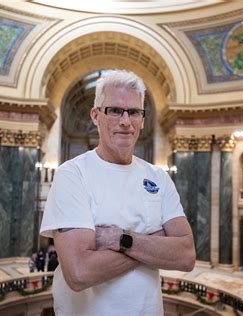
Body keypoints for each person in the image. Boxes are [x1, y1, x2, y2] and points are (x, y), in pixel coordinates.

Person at [40, 69, 196, 315]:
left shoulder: (158, 177)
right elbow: (79, 273)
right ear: (95, 115)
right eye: (114, 110)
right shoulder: (71, 174)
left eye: (134, 112)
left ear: (142, 119)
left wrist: (120, 239)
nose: (125, 121)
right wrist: (154, 242)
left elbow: (186, 256)